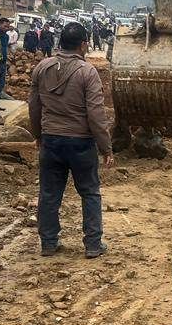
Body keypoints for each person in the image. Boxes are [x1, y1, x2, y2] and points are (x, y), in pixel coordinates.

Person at [29, 21, 114, 259]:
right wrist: (106, 147)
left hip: (51, 141)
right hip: (80, 143)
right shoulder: (88, 73)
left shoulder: (42, 68)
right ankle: (93, 244)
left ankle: (48, 243)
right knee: (90, 192)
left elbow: (34, 107)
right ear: (84, 44)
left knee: (48, 194)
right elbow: (96, 115)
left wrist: (38, 135)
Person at [0, 17, 13, 100]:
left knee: (2, 82)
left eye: (8, 27)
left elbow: (5, 48)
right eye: (5, 26)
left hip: (3, 61)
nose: (7, 28)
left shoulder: (6, 36)